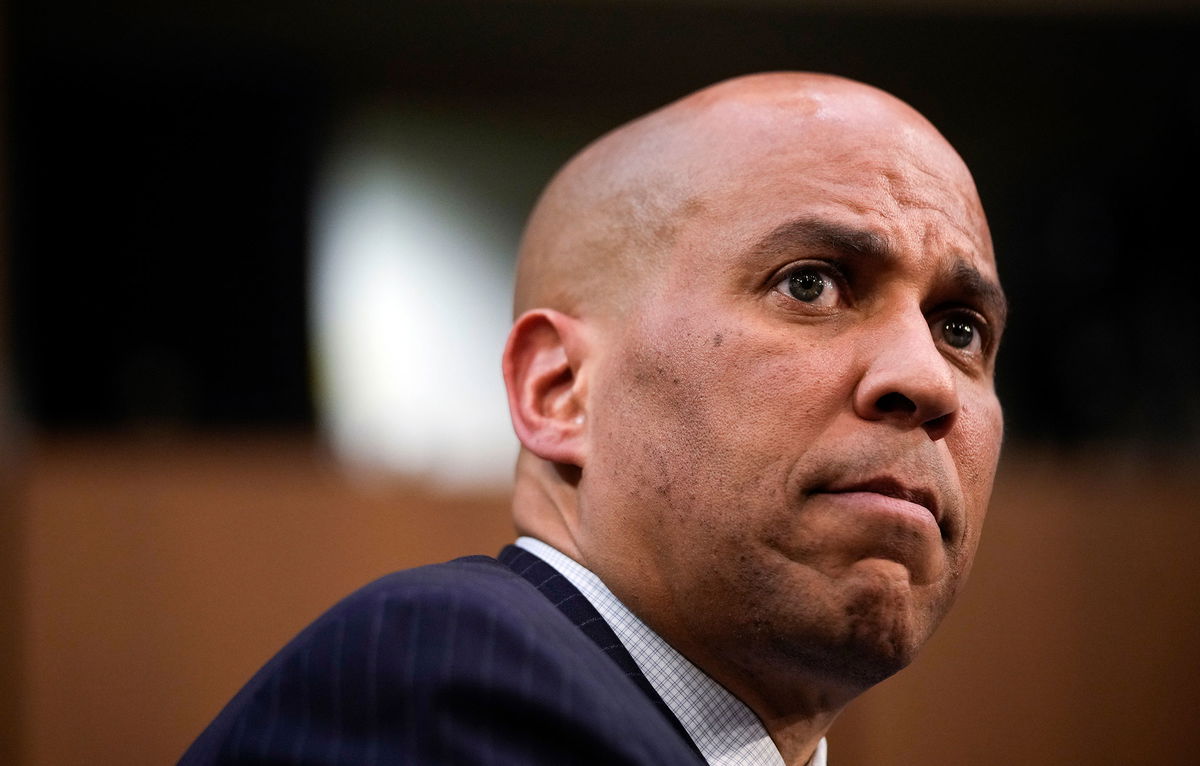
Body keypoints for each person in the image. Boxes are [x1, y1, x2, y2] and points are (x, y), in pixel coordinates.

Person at [182, 71, 1006, 766]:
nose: (926, 378)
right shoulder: (451, 685)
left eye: (960, 330)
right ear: (560, 390)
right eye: (810, 284)